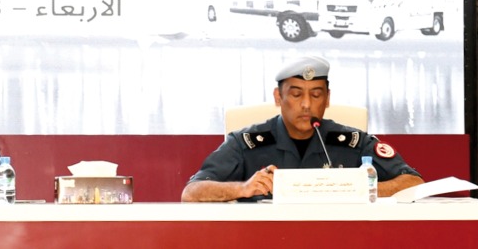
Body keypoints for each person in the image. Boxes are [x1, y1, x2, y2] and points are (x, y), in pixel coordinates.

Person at [181, 55, 424, 202]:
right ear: (278, 97)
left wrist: (362, 188)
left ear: (327, 99)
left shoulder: (352, 142)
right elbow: (192, 193)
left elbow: (413, 183)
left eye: (316, 95)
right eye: (296, 94)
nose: (307, 104)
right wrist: (243, 188)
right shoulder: (246, 142)